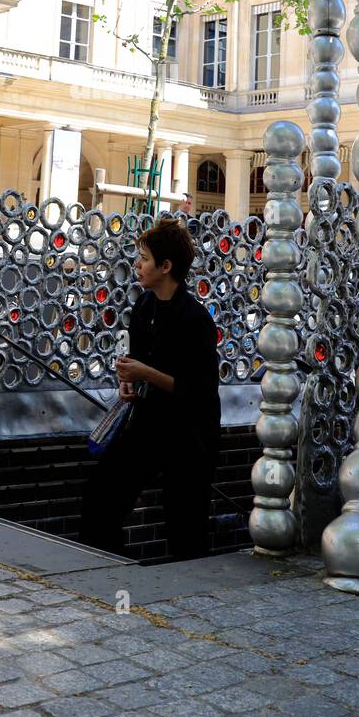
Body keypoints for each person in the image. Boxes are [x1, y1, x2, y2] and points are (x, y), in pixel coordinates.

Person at [79, 218, 221, 560]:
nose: (137, 265)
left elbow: (199, 390)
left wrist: (146, 373)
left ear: (166, 266)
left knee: (185, 523)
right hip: (148, 421)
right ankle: (111, 571)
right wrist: (128, 380)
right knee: (102, 496)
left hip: (189, 432)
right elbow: (138, 360)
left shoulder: (195, 319)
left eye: (143, 258)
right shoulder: (144, 307)